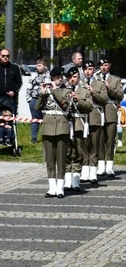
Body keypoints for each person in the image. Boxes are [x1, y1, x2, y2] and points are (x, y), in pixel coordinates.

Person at [36, 67, 70, 198]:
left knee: (61, 159)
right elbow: (37, 107)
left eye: (61, 77)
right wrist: (43, 94)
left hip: (62, 127)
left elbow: (65, 105)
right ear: (52, 78)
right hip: (48, 127)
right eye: (57, 77)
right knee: (50, 159)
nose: (59, 79)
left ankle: (60, 187)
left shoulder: (66, 91)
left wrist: (54, 90)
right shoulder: (47, 92)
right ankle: (52, 187)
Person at [63, 67, 93, 192]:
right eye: (70, 77)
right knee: (66, 152)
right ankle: (66, 180)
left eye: (74, 77)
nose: (72, 80)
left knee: (78, 152)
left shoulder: (84, 91)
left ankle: (75, 181)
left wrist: (78, 100)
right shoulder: (63, 90)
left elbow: (89, 107)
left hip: (79, 124)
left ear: (78, 78)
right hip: (65, 124)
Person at [95, 58, 124, 177]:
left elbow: (120, 95)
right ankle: (101, 165)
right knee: (100, 139)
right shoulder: (95, 78)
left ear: (109, 66)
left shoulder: (115, 79)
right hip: (98, 110)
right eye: (101, 65)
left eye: (106, 65)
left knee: (110, 139)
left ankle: (110, 166)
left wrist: (109, 88)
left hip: (110, 109)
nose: (103, 67)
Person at [81, 60, 107, 185]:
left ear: (94, 70)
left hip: (94, 116)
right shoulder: (79, 83)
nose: (87, 71)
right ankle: (84, 171)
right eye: (85, 69)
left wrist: (93, 92)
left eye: (90, 69)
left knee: (95, 144)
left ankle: (93, 172)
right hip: (82, 117)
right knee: (83, 145)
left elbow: (104, 100)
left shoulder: (99, 84)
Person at [0, 48, 23, 146]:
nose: (5, 58)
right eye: (3, 56)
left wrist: (14, 91)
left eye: (7, 56)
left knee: (11, 120)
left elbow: (19, 82)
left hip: (11, 99)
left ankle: (12, 140)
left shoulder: (15, 68)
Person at [26, 59, 50, 144]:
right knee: (35, 119)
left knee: (46, 119)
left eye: (40, 65)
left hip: (46, 100)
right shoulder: (33, 75)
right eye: (37, 65)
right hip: (34, 99)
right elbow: (29, 87)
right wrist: (29, 100)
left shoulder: (49, 75)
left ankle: (46, 137)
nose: (38, 67)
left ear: (44, 66)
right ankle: (34, 138)